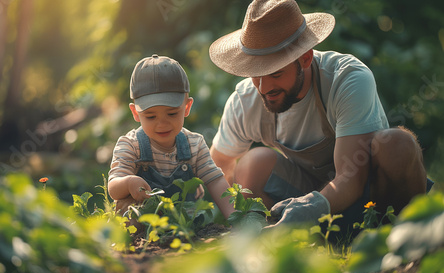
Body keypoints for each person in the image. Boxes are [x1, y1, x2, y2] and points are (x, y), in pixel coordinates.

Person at [208, 0, 432, 233]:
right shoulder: (246, 101)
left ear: (305, 58)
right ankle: (282, 242)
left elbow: (351, 177)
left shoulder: (346, 79)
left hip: (369, 199)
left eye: (275, 73)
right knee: (252, 165)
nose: (264, 88)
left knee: (398, 144)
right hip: (304, 195)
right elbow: (218, 166)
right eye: (256, 74)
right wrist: (233, 218)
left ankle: (409, 237)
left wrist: (313, 206)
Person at [108, 54, 234, 219]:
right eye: (151, 116)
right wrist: (129, 182)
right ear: (135, 113)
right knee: (126, 206)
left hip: (187, 225)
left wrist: (235, 217)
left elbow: (215, 181)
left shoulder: (194, 145)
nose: (162, 124)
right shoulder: (131, 145)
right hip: (146, 226)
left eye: (172, 113)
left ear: (187, 107)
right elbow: (113, 187)